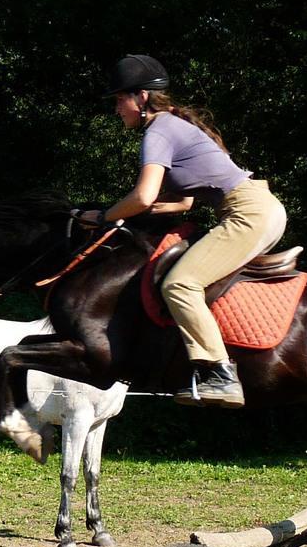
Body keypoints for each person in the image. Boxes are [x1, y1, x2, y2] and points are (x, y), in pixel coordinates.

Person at [78, 54, 287, 409]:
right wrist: (128, 213)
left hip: (248, 213)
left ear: (141, 97)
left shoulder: (158, 131)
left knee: (180, 284)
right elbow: (182, 203)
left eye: (119, 99)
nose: (116, 109)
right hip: (258, 208)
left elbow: (143, 196)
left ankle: (221, 375)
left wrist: (103, 217)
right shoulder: (173, 125)